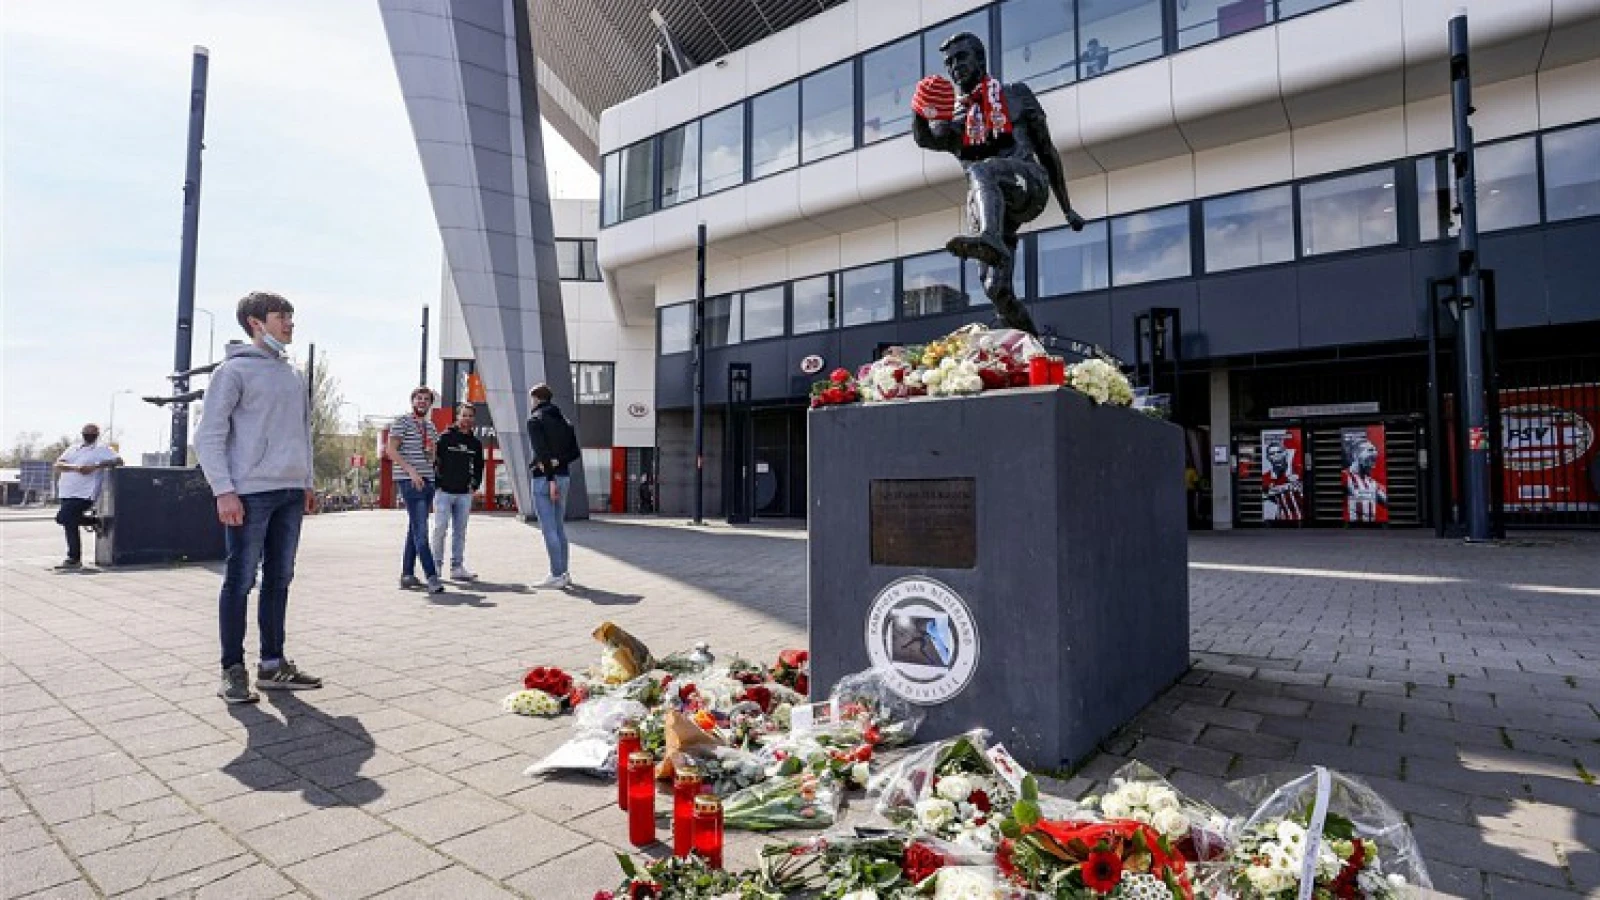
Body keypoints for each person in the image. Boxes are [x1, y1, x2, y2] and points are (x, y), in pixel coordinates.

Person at [194, 291, 322, 704]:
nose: (289, 323)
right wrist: (223, 490)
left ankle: (272, 665)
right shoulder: (232, 373)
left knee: (280, 578)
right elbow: (208, 435)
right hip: (249, 493)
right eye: (280, 316)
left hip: (288, 492)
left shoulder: (291, 374)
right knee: (240, 579)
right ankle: (232, 671)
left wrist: (306, 482)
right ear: (255, 322)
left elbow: (301, 434)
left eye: (290, 316)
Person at [910, 32, 1085, 335]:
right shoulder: (956, 121)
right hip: (995, 208)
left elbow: (1047, 150)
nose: (955, 67)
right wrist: (919, 110)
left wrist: (1067, 208)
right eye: (949, 62)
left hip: (1029, 184)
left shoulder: (1016, 95)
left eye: (961, 58)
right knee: (996, 289)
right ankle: (1034, 350)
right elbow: (925, 138)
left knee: (983, 170)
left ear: (979, 59)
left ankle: (989, 238)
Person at [388, 387, 445, 593]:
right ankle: (431, 576)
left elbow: (432, 458)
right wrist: (411, 471)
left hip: (427, 480)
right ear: (412, 401)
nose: (422, 402)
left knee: (414, 528)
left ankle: (407, 575)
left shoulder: (430, 427)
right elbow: (391, 450)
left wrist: (431, 455)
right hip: (410, 481)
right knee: (421, 531)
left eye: (426, 399)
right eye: (418, 398)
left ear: (430, 403)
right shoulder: (402, 422)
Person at [526, 382, 581, 588]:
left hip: (544, 479)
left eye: (532, 398)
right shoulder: (565, 421)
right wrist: (559, 462)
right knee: (559, 528)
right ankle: (564, 572)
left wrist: (550, 479)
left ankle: (556, 574)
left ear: (537, 399)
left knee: (548, 528)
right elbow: (575, 452)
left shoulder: (535, 420)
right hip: (564, 476)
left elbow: (541, 453)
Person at [52, 423, 122, 569]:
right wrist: (77, 468)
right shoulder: (73, 448)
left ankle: (93, 523)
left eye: (92, 433)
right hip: (67, 491)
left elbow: (119, 461)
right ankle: (74, 557)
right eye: (86, 432)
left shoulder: (102, 449)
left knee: (63, 517)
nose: (89, 435)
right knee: (69, 523)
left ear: (97, 434)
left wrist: (96, 466)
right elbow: (58, 464)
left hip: (85, 493)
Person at [431, 402, 484, 581]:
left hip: (464, 494)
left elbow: (479, 467)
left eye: (470, 416)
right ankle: (436, 567)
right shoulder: (444, 438)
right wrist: (437, 483)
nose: (467, 419)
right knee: (440, 529)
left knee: (460, 532)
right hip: (444, 492)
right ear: (458, 417)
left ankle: (457, 567)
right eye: (464, 415)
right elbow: (434, 462)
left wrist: (474, 485)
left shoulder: (475, 444)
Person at [1343, 437, 1388, 523]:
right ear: (1356, 455)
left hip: (1372, 529)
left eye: (1373, 461)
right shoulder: (1345, 477)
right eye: (1369, 460)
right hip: (1352, 528)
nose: (1373, 466)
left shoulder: (1372, 483)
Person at [1261, 441, 1305, 522]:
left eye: (1279, 452)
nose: (1276, 456)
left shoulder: (1299, 471)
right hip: (1281, 522)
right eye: (1272, 454)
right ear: (1268, 457)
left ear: (1285, 453)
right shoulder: (1265, 478)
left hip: (1302, 520)